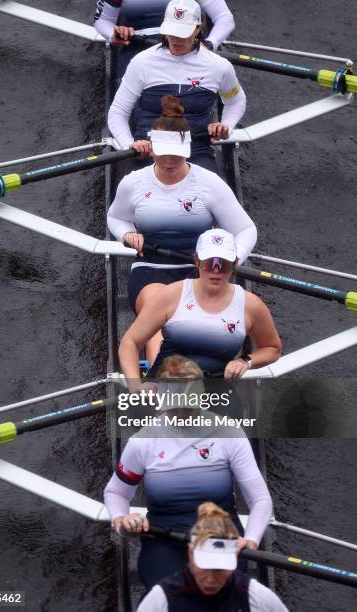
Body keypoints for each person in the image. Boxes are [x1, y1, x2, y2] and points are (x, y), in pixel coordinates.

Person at [108, 95, 256, 363]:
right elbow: (116, 219)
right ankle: (163, 387)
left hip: (200, 269)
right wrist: (126, 234)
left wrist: (231, 261)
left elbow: (246, 230)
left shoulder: (209, 183)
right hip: (151, 267)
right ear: (151, 149)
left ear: (187, 150)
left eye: (175, 155)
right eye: (163, 154)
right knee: (161, 314)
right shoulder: (133, 183)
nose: (168, 162)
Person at [104, 355, 273, 589]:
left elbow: (261, 500)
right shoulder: (142, 442)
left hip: (220, 535)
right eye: (176, 406)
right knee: (174, 593)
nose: (182, 414)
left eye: (188, 405)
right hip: (164, 538)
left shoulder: (229, 433)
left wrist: (251, 539)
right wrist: (122, 519)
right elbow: (117, 493)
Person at [119, 228, 282, 384]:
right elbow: (130, 342)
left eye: (223, 264)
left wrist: (246, 361)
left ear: (235, 264)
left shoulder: (251, 305)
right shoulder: (171, 295)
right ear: (197, 261)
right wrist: (136, 387)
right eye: (209, 263)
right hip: (166, 388)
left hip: (216, 392)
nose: (215, 271)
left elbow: (272, 348)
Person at [107, 0, 246, 171]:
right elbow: (118, 112)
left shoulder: (219, 66)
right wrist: (129, 145)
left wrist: (226, 126)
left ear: (197, 29)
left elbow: (236, 102)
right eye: (171, 33)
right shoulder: (142, 62)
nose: (175, 40)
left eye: (182, 34)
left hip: (196, 148)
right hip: (151, 148)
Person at [136, 502, 289, 611]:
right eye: (204, 567)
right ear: (191, 553)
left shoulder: (257, 597)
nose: (210, 579)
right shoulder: (160, 600)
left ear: (234, 558)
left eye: (219, 569)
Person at [94, 0, 235, 52]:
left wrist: (210, 44)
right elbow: (103, 21)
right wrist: (114, 34)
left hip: (186, 44)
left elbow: (224, 18)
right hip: (138, 44)